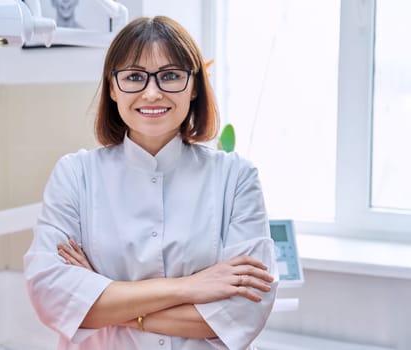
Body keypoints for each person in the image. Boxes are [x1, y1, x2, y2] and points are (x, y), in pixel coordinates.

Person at [23, 16, 278, 350]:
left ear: (195, 85)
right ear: (113, 88)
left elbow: (244, 312)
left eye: (170, 75)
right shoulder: (75, 174)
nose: (152, 92)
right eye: (134, 77)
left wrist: (101, 298)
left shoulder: (236, 177)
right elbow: (50, 297)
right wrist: (191, 287)